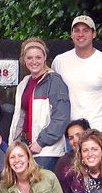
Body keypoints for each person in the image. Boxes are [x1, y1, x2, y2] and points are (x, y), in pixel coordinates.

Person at [51, 15, 102, 153]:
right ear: (71, 34)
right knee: (73, 174)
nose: (80, 34)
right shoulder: (59, 61)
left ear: (94, 34)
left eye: (85, 30)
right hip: (70, 134)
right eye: (76, 30)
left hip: (98, 131)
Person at [9, 37, 70, 170]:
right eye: (29, 58)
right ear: (24, 60)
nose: (34, 61)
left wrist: (41, 142)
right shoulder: (24, 83)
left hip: (47, 150)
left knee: (41, 188)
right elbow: (20, 117)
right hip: (26, 146)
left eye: (38, 57)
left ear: (44, 58)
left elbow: (61, 118)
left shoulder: (54, 81)